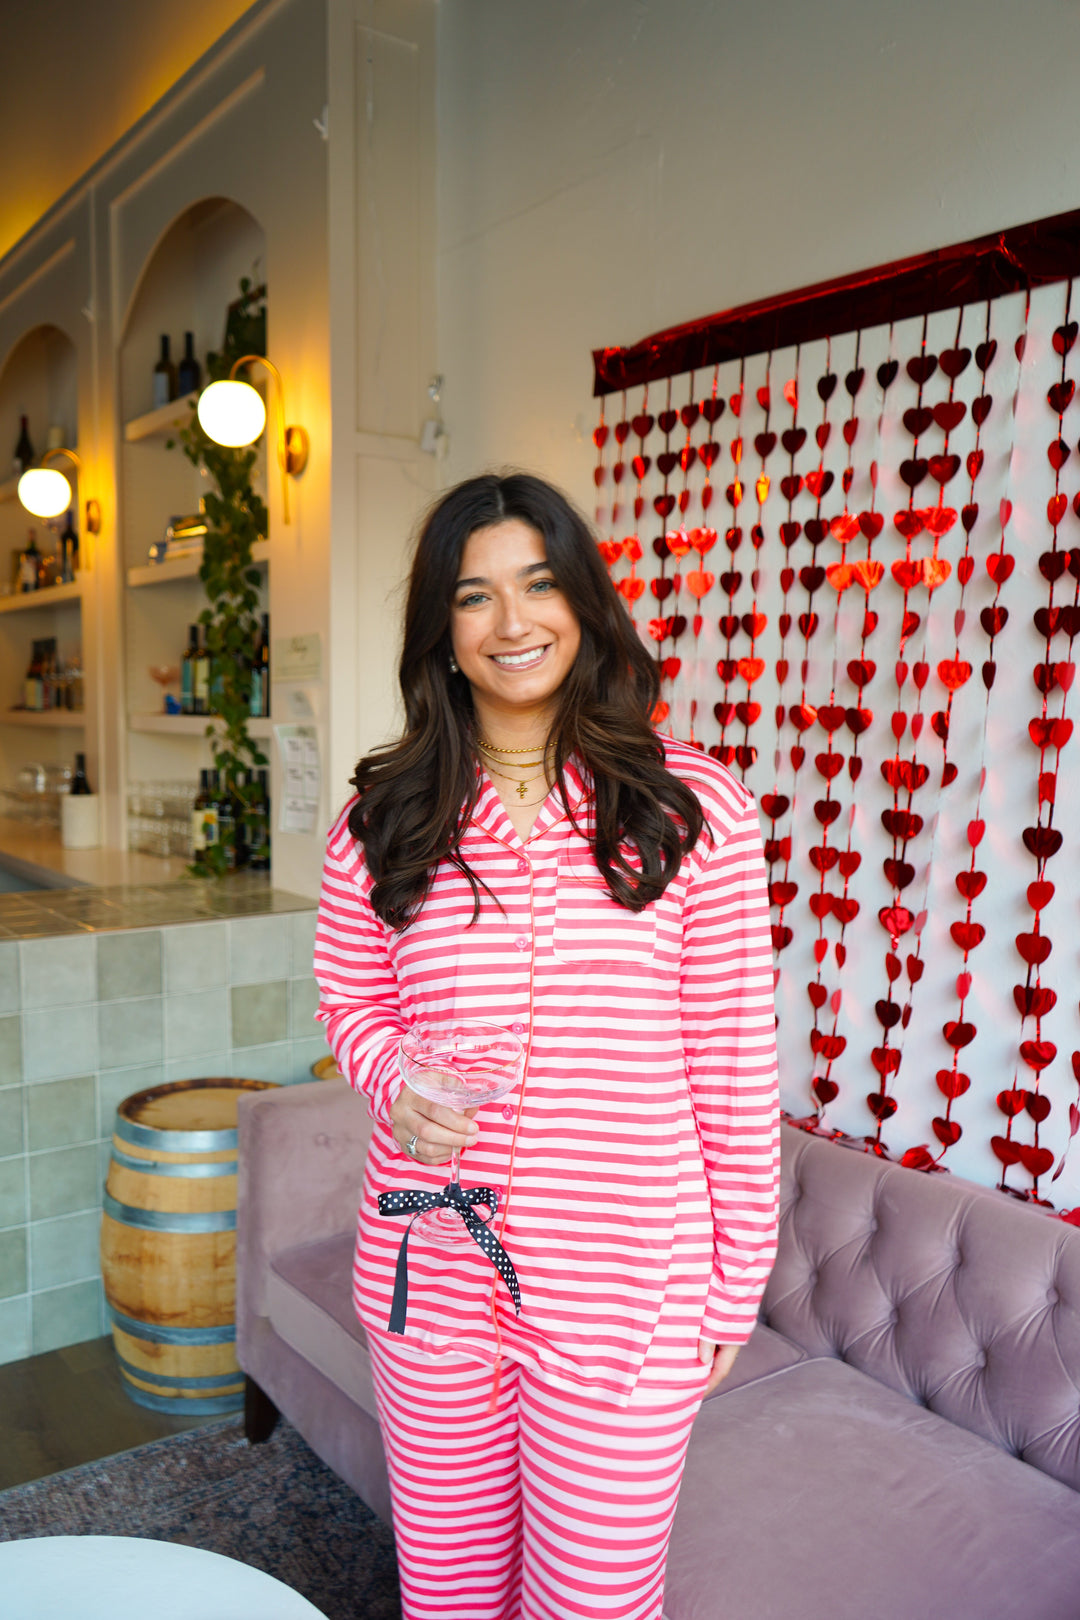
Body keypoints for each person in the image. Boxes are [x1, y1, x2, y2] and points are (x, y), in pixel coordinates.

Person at [314, 472, 780, 1620]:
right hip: (432, 1274)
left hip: (626, 1285)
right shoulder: (384, 818)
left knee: (595, 1602)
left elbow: (733, 1070)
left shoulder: (692, 811)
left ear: (584, 601)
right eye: (474, 597)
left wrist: (730, 1292)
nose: (512, 623)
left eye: (538, 584)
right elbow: (350, 1006)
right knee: (451, 1593)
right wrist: (395, 1078)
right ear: (443, 630)